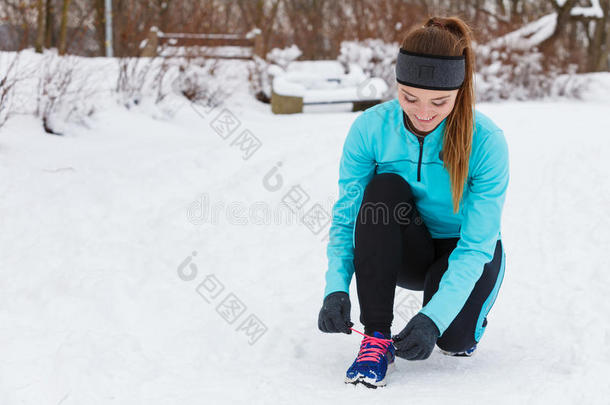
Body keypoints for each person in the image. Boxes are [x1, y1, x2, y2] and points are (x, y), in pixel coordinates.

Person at [317, 16, 509, 388]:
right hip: (409, 246)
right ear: (397, 85)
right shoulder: (370, 129)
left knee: (452, 341)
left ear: (460, 92)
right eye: (409, 98)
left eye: (440, 102)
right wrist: (335, 287)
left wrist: (433, 318)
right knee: (383, 190)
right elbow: (347, 216)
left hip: (465, 251)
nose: (423, 113)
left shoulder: (486, 141)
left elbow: (476, 245)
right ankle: (376, 340)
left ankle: (467, 318)